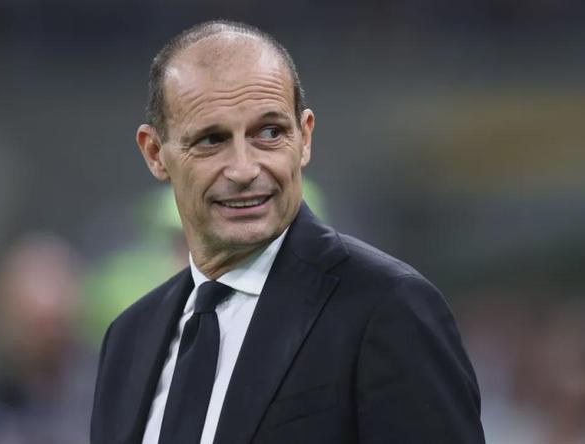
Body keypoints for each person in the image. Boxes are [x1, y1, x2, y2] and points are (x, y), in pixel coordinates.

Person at [91, 20, 485, 444]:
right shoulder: (129, 338)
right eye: (210, 139)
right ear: (155, 153)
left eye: (269, 133)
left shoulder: (388, 307)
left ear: (305, 137)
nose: (244, 169)